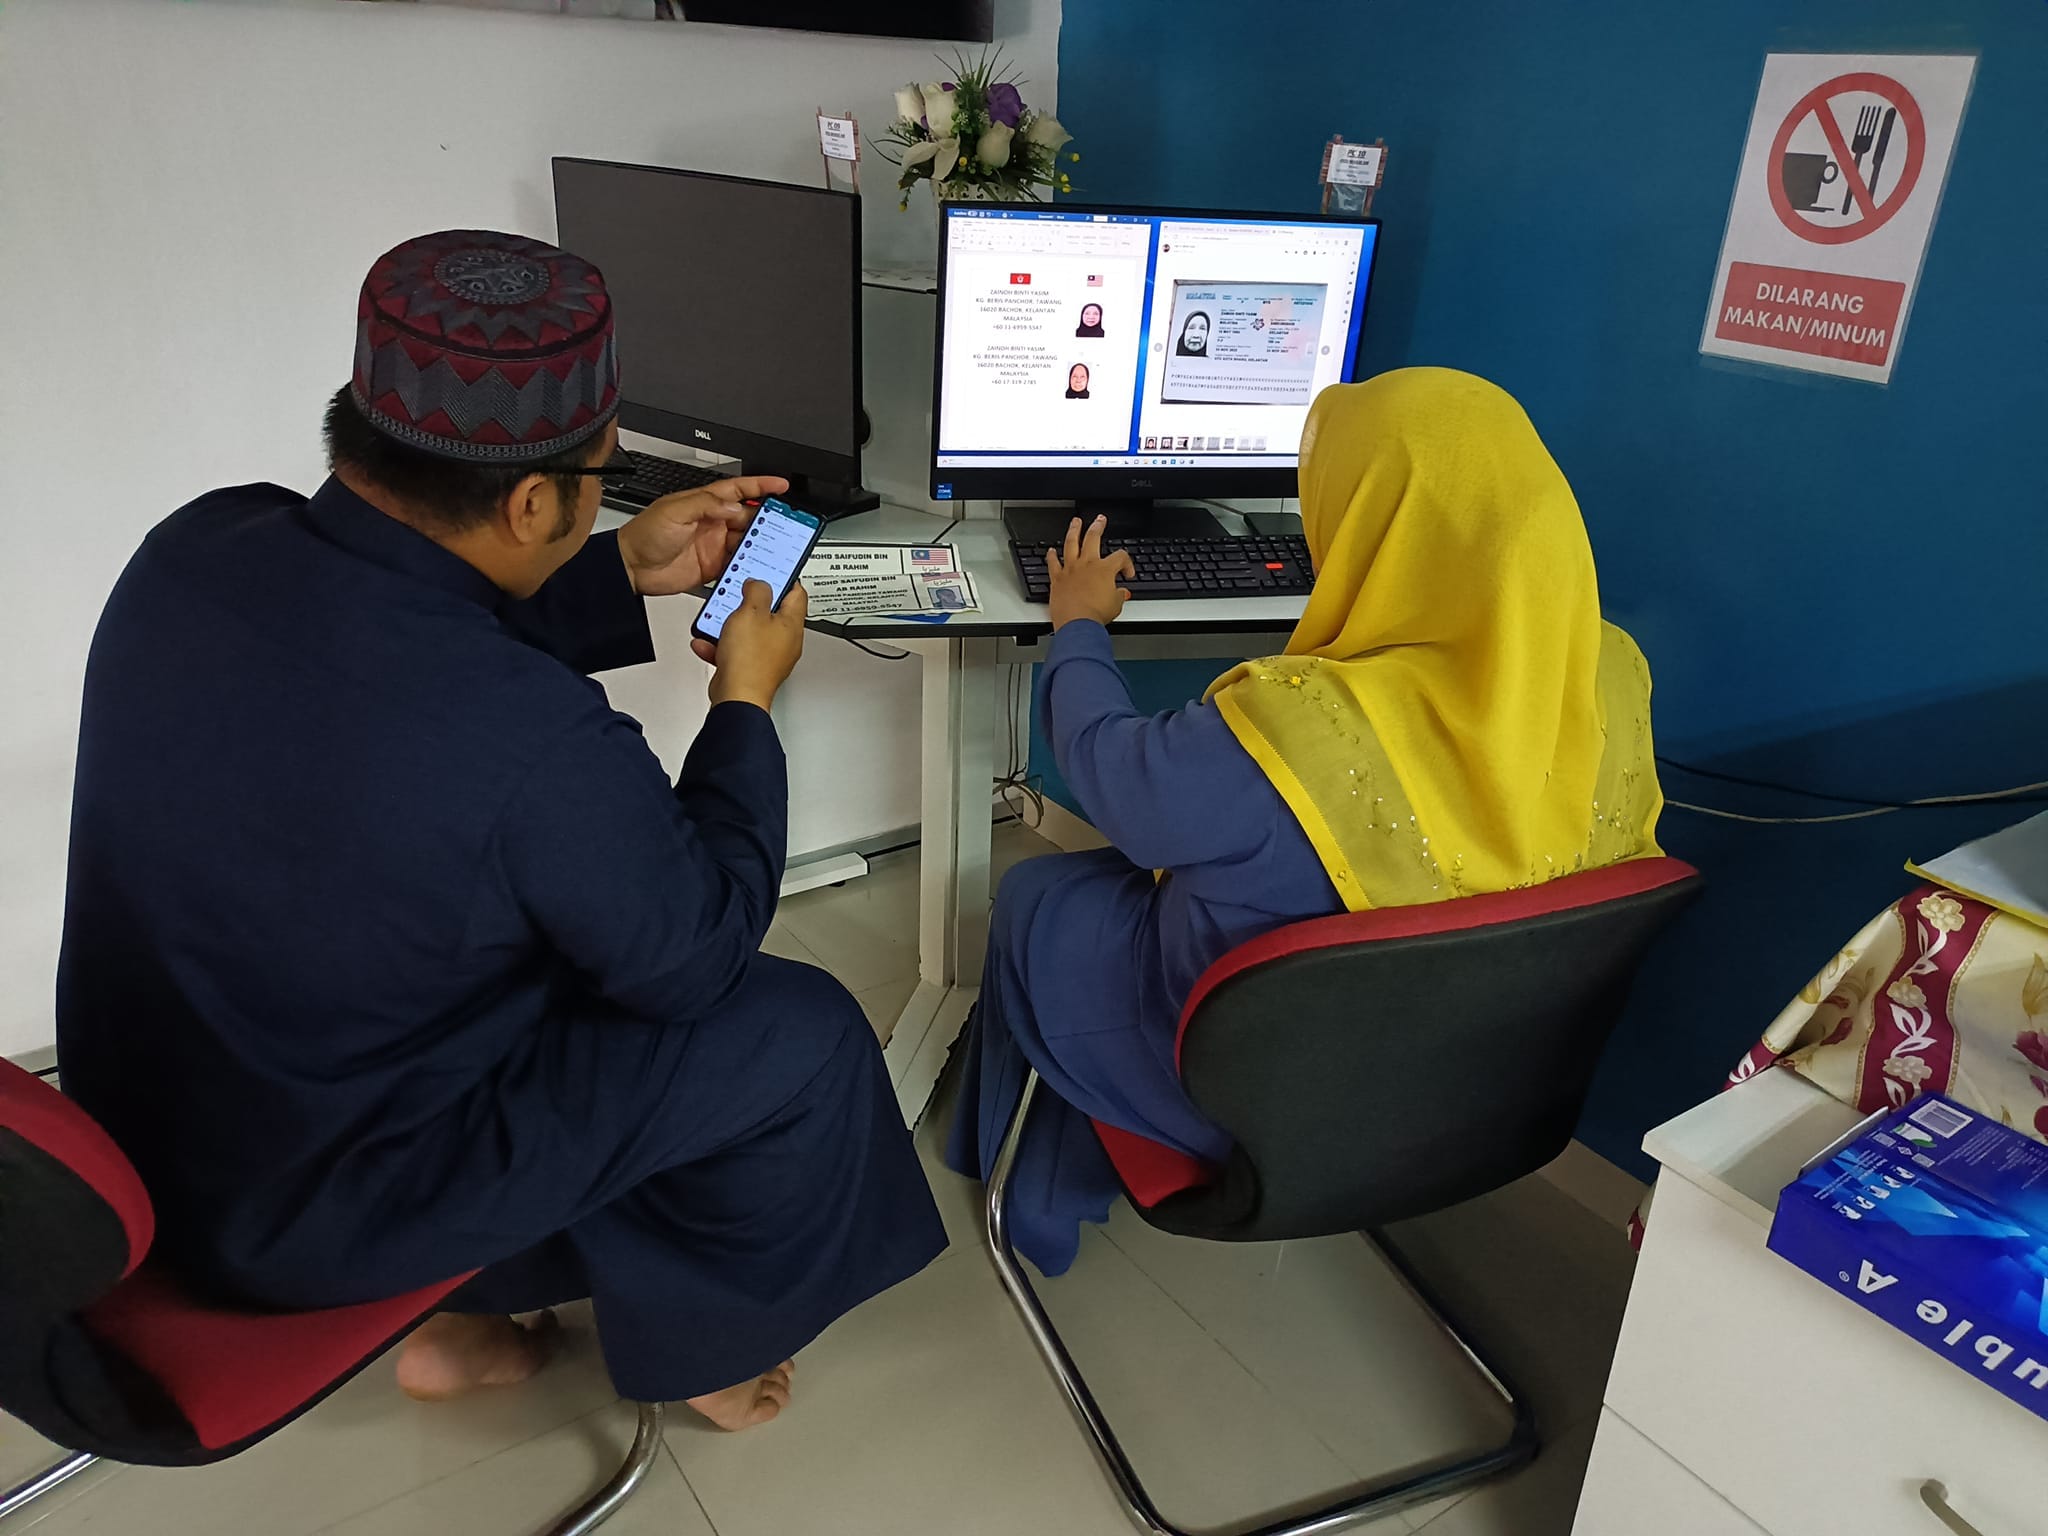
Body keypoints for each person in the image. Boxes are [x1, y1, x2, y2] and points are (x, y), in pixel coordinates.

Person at [56, 230, 946, 1427]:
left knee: (500, 945)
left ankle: (458, 1328)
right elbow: (694, 957)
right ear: (533, 500)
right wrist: (745, 698)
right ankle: (710, 1345)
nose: (601, 495)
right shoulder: (533, 738)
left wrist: (614, 565)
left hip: (135, 1154)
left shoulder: (202, 543)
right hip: (307, 1220)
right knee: (794, 1033)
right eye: (599, 478)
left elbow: (394, 650)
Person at [946, 367, 1665, 1274]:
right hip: (1481, 1089)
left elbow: (1111, 775)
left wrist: (1079, 627)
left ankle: (1035, 1202)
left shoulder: (1307, 724)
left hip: (1255, 1093)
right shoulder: (1611, 675)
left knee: (1039, 894)